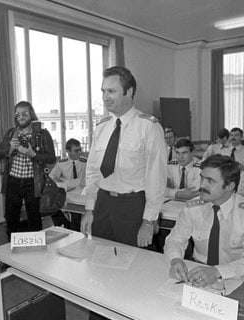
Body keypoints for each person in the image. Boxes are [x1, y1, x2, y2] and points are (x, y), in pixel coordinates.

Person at [81, 66, 167, 248]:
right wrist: (89, 210)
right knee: (100, 258)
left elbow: (156, 178)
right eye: (103, 91)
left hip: (133, 206)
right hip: (102, 203)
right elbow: (92, 172)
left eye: (111, 91)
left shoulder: (148, 127)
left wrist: (149, 221)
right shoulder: (102, 127)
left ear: (129, 91)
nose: (105, 97)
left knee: (134, 263)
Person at [164, 154, 244, 287]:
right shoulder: (193, 207)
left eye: (210, 181)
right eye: (202, 178)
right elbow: (175, 239)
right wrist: (175, 260)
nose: (202, 185)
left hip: (234, 276)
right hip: (197, 272)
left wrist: (218, 271)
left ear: (230, 186)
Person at [0, 101, 56, 240]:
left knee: (34, 221)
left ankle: (35, 257)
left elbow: (51, 158)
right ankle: (10, 256)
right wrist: (9, 149)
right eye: (18, 114)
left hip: (33, 183)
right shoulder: (11, 133)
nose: (21, 117)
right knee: (11, 221)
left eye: (25, 113)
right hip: (13, 182)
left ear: (31, 114)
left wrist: (32, 154)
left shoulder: (42, 134)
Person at [49, 138, 87, 231]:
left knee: (76, 216)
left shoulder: (85, 162)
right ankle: (65, 226)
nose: (79, 152)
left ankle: (74, 231)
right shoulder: (62, 163)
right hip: (67, 194)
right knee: (51, 207)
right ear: (67, 151)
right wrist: (62, 182)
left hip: (80, 195)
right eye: (76, 150)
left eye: (80, 150)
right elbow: (51, 177)